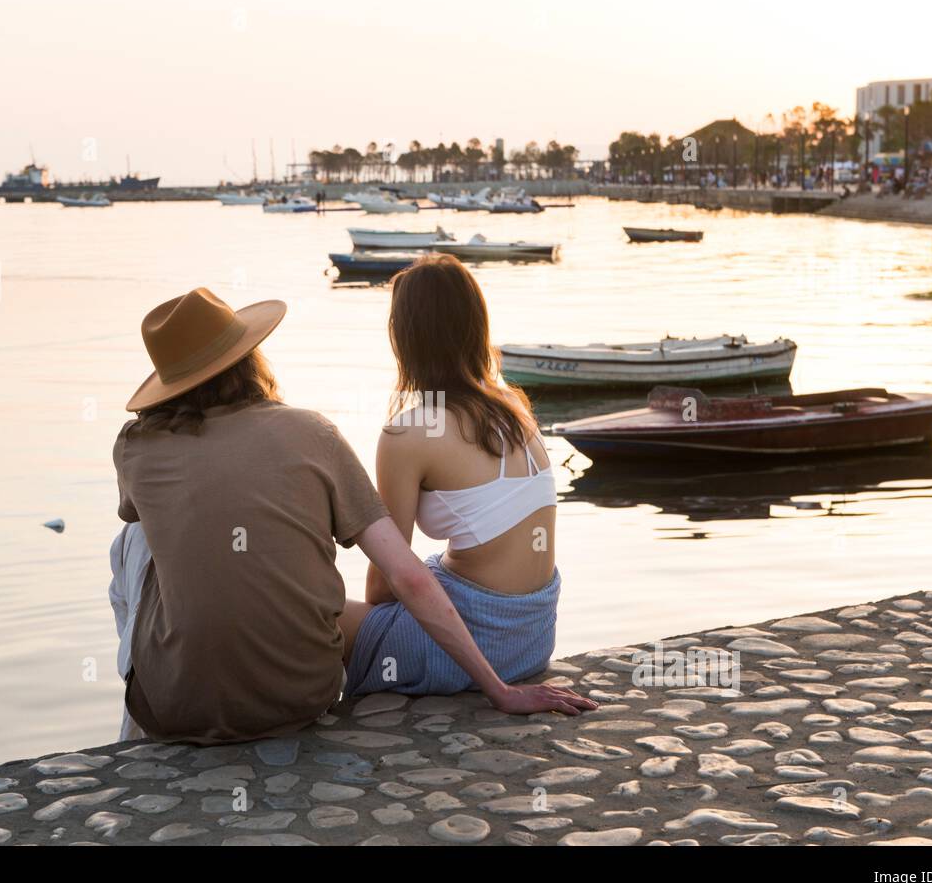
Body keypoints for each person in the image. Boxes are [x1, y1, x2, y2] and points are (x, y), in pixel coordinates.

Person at [109, 287, 593, 745]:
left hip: (173, 710)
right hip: (303, 697)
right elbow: (407, 577)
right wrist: (500, 691)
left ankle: (138, 729)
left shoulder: (135, 447)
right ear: (249, 357)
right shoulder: (313, 431)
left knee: (133, 538)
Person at [340, 255, 567, 697]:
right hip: (533, 636)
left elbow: (383, 586)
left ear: (405, 338)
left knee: (304, 615)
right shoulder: (514, 408)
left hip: (479, 642)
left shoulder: (408, 432)